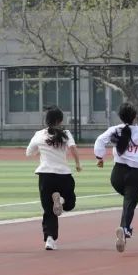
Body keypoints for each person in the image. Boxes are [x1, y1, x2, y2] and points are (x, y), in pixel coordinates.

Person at [94, 102, 138, 253]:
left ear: (120, 117)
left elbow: (100, 140)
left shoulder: (115, 129)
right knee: (130, 202)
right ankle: (124, 228)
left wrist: (100, 157)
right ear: (135, 116)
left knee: (128, 200)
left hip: (117, 174)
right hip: (136, 174)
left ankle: (126, 229)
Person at [26, 106, 82, 251]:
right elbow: (73, 148)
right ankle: (61, 200)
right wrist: (77, 164)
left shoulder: (39, 134)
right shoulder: (66, 133)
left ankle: (50, 240)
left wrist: (40, 151)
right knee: (70, 203)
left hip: (45, 175)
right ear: (60, 120)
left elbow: (29, 153)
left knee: (48, 210)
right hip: (63, 174)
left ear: (47, 120)